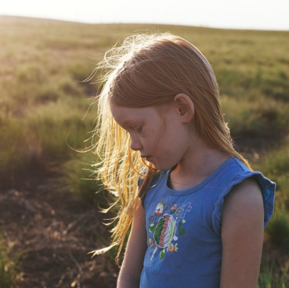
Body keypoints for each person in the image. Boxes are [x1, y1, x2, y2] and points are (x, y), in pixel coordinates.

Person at [91, 33, 275, 288]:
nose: (133, 144)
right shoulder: (151, 182)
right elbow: (130, 275)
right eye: (127, 132)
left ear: (182, 109)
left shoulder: (238, 197)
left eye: (138, 127)